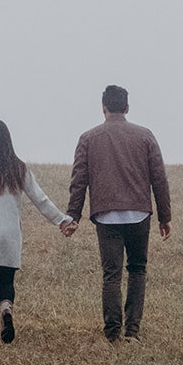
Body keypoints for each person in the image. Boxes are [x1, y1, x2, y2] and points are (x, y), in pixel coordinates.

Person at [0, 118, 76, 343]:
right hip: (8, 233)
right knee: (6, 282)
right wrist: (62, 220)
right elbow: (40, 199)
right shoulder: (19, 167)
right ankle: (6, 308)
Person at [65, 85, 172, 343]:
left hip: (106, 215)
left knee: (111, 274)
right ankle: (132, 332)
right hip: (139, 214)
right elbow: (159, 179)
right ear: (126, 108)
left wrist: (73, 215)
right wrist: (164, 216)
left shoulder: (88, 138)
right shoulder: (145, 136)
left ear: (103, 108)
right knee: (137, 269)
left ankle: (112, 334)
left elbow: (79, 180)